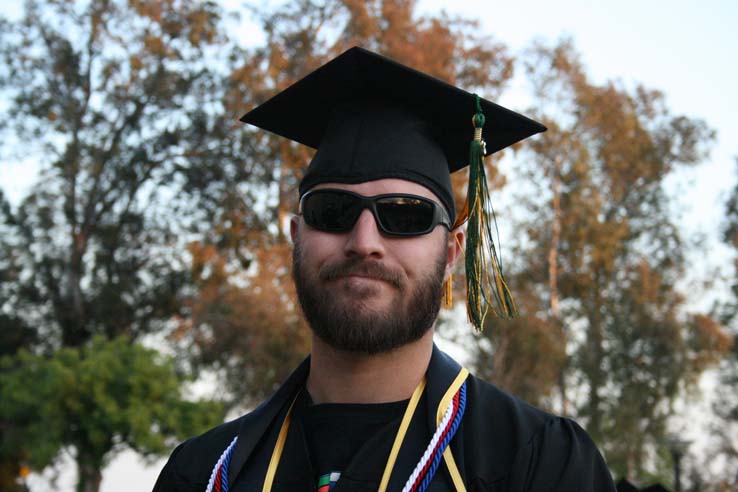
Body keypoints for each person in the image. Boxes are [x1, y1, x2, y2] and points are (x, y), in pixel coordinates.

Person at [153, 47, 616, 492]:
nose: (364, 242)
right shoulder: (204, 474)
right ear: (297, 237)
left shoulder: (537, 465)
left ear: (452, 252)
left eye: (406, 215)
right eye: (333, 212)